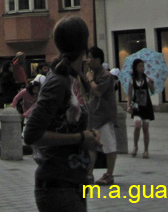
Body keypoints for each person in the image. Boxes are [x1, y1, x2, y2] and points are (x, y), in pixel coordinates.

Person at [24, 17, 101, 212]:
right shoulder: (58, 82)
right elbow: (31, 133)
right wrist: (81, 138)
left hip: (73, 182)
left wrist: (89, 135)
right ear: (85, 44)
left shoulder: (75, 78)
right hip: (57, 186)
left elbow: (67, 122)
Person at [85, 46, 117, 186]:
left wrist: (91, 80)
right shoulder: (93, 73)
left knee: (108, 145)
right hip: (94, 114)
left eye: (90, 57)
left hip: (104, 115)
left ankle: (109, 174)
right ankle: (89, 174)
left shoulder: (105, 75)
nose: (88, 60)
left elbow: (98, 91)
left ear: (98, 60)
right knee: (91, 145)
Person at [127, 58, 155, 158]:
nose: (141, 68)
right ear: (135, 67)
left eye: (143, 66)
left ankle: (146, 150)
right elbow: (129, 94)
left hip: (146, 105)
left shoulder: (146, 78)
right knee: (137, 125)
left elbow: (152, 91)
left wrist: (151, 84)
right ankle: (135, 146)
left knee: (146, 128)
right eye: (139, 66)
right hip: (136, 105)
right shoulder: (132, 79)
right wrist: (128, 105)